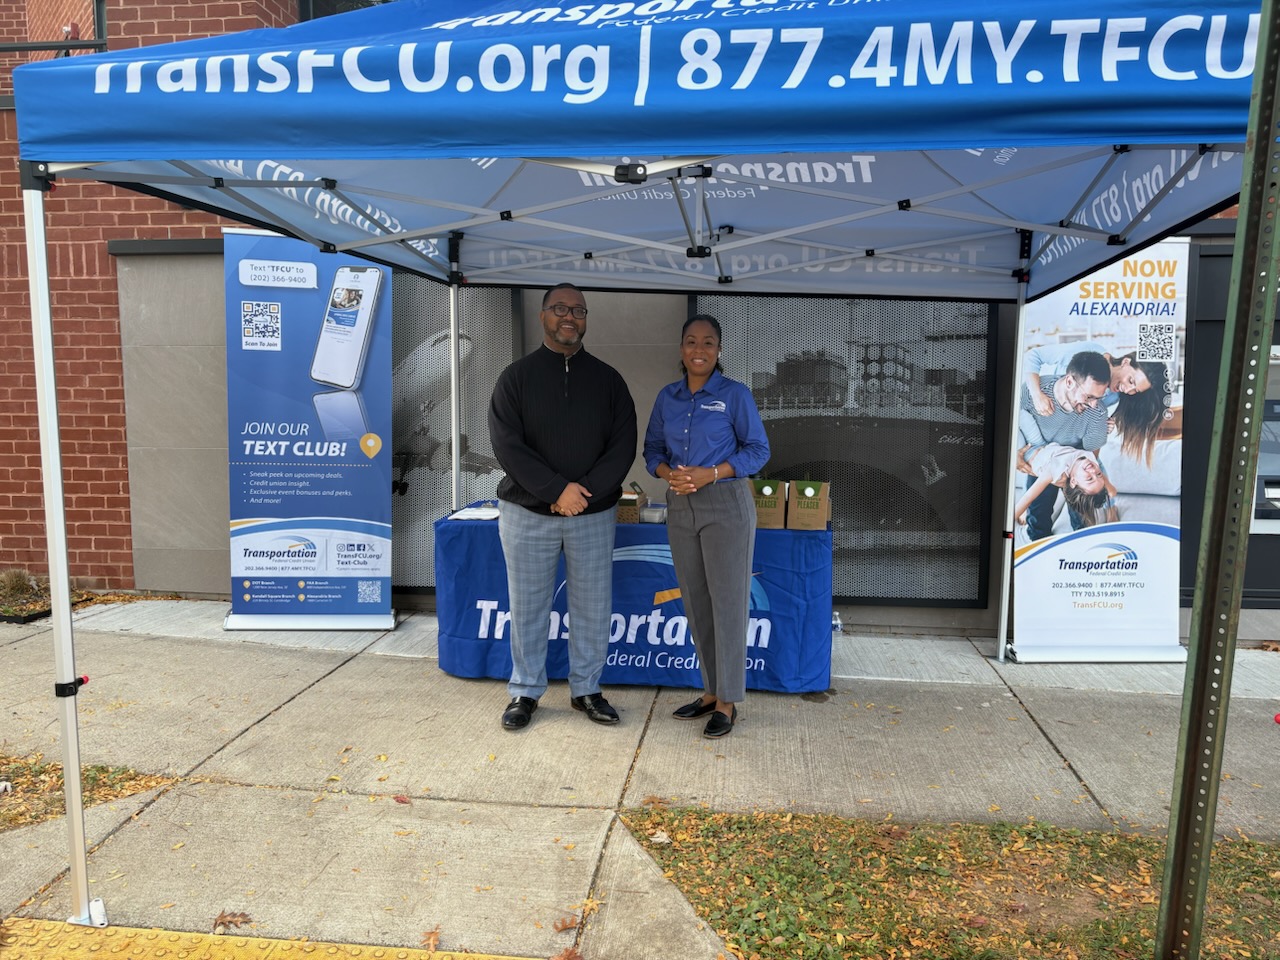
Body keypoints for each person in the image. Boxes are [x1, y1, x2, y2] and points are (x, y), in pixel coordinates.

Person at [487, 283, 637, 732]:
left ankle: (586, 690)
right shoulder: (515, 378)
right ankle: (525, 691)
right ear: (543, 316)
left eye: (577, 310)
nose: (568, 317)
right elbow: (507, 445)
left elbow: (623, 445)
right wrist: (556, 490)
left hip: (592, 513)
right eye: (559, 309)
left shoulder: (609, 380)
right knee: (528, 604)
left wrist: (583, 492)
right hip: (527, 513)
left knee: (592, 605)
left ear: (586, 318)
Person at [643, 315, 770, 739]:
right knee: (696, 603)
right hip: (681, 505)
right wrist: (668, 474)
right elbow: (652, 451)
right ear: (681, 349)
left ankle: (729, 701)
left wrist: (710, 473)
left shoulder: (734, 395)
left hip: (725, 505)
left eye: (709, 343)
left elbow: (758, 450)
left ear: (718, 350)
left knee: (729, 602)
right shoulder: (668, 397)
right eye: (692, 342)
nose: (700, 350)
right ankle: (712, 691)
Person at [1018, 350, 1110, 541]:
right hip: (1043, 459)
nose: (1094, 405)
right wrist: (1013, 456)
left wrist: (1077, 475)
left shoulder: (1098, 413)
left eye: (1099, 398)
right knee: (1039, 516)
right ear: (1069, 382)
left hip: (1075, 457)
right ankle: (1038, 554)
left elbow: (1092, 453)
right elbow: (1008, 425)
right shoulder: (1031, 392)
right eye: (1089, 397)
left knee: (1083, 515)